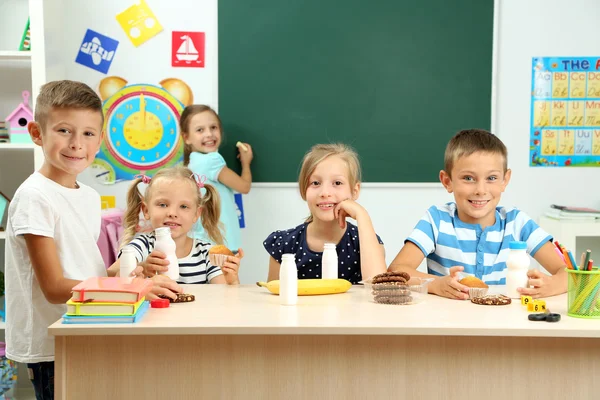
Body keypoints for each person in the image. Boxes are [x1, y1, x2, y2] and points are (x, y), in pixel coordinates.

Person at [4, 80, 139, 399]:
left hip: (84, 331)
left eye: (88, 133)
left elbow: (79, 274)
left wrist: (119, 271)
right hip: (54, 345)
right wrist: (125, 289)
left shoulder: (89, 196)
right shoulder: (35, 197)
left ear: (100, 139)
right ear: (37, 133)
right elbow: (53, 288)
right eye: (64, 130)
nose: (77, 143)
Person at [388, 128, 567, 299]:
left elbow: (570, 273)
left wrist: (552, 284)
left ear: (505, 180)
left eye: (491, 178)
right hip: (448, 322)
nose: (481, 190)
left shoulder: (517, 223)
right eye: (468, 178)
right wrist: (436, 285)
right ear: (447, 181)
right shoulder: (436, 221)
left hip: (504, 324)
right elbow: (397, 271)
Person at [263, 143, 385, 284]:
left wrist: (362, 215)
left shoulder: (366, 241)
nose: (325, 193)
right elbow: (274, 298)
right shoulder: (284, 244)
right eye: (315, 183)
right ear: (304, 190)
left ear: (355, 190)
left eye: (337, 183)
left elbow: (378, 289)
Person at [114, 166, 242, 286]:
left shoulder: (207, 254)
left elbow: (223, 299)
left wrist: (232, 282)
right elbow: (109, 276)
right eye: (163, 204)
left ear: (196, 214)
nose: (172, 213)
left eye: (184, 207)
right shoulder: (140, 247)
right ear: (146, 211)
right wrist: (142, 268)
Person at [180, 105, 253, 250]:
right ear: (186, 137)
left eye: (213, 127)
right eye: (200, 130)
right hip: (221, 241)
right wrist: (246, 163)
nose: (209, 134)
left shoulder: (192, 163)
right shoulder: (212, 161)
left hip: (202, 241)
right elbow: (244, 187)